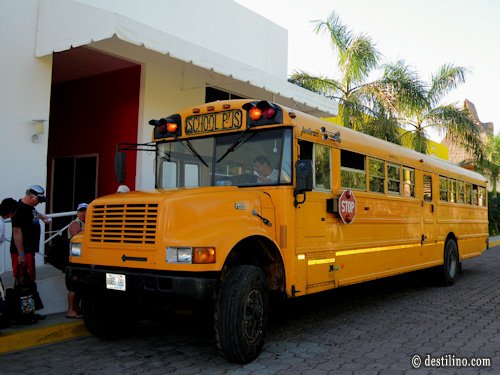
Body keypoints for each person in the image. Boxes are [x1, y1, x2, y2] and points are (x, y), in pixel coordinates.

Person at [10, 185, 50, 284]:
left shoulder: (30, 206)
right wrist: (21, 254)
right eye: (38, 200)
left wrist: (42, 217)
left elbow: (33, 213)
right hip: (23, 250)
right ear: (31, 197)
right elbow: (16, 232)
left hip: (30, 249)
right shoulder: (18, 209)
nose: (40, 202)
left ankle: (30, 295)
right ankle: (22, 297)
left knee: (31, 276)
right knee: (21, 276)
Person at [66, 202, 87, 318]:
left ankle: (76, 308)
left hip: (83, 259)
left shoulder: (88, 223)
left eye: (85, 211)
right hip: (74, 259)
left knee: (79, 285)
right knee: (73, 285)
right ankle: (70, 310)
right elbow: (77, 237)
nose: (83, 213)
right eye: (81, 211)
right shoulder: (75, 223)